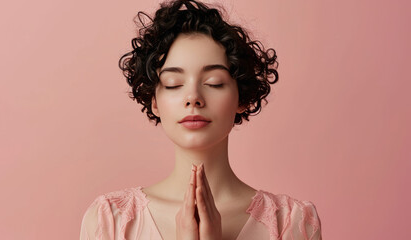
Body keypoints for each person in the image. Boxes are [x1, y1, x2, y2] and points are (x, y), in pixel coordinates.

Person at [80, 0, 322, 239]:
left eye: (213, 83)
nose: (193, 98)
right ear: (154, 101)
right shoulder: (111, 221)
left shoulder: (292, 223)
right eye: (173, 84)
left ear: (242, 98)